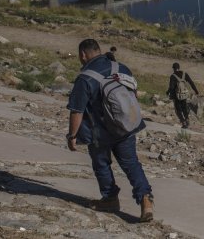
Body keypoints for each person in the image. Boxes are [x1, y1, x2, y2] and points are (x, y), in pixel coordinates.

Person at [66, 38, 154, 222]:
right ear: (98, 50)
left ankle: (110, 199)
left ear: (83, 55)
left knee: (101, 164)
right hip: (125, 127)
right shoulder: (121, 68)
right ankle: (146, 199)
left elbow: (77, 111)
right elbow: (132, 95)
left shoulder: (85, 78)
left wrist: (72, 135)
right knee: (131, 164)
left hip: (100, 133)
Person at [167, 62, 199, 129]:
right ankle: (187, 120)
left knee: (178, 110)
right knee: (184, 108)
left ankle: (183, 122)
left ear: (173, 68)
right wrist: (196, 91)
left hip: (177, 96)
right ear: (179, 67)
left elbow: (171, 87)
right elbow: (191, 82)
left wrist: (168, 93)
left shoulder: (173, 76)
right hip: (184, 95)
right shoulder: (184, 74)